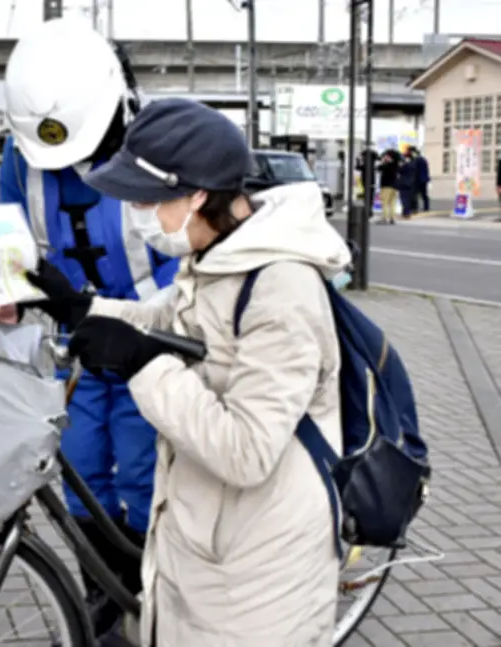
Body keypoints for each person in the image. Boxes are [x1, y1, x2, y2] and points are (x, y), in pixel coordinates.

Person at [25, 97, 350, 646]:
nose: (136, 213)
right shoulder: (218, 255)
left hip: (259, 569)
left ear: (197, 195)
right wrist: (80, 308)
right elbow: (161, 318)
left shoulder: (282, 288)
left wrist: (143, 362)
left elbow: (247, 450)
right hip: (209, 537)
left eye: (148, 200)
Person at [0, 17, 179, 639]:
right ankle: (102, 598)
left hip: (150, 343)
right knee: (77, 471)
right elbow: (12, 234)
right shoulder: (21, 155)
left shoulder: (158, 142)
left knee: (142, 473)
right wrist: (8, 291)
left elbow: (190, 249)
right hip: (76, 343)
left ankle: (144, 599)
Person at [377, 149, 400, 224]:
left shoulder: (387, 165)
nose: (385, 157)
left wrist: (384, 161)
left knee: (385, 202)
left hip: (387, 186)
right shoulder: (396, 165)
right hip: (395, 186)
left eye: (386, 156)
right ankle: (392, 218)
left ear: (390, 157)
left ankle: (385, 218)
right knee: (392, 203)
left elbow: (378, 168)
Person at [397, 149, 416, 219]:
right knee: (407, 199)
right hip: (410, 184)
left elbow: (399, 170)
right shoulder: (413, 164)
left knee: (404, 199)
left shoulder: (406, 165)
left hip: (403, 184)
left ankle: (406, 213)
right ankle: (406, 212)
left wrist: (401, 165)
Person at [411, 147, 430, 213]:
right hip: (424, 180)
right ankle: (426, 207)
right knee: (424, 194)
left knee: (415, 194)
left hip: (418, 180)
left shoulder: (416, 160)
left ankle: (415, 208)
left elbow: (415, 170)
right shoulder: (423, 159)